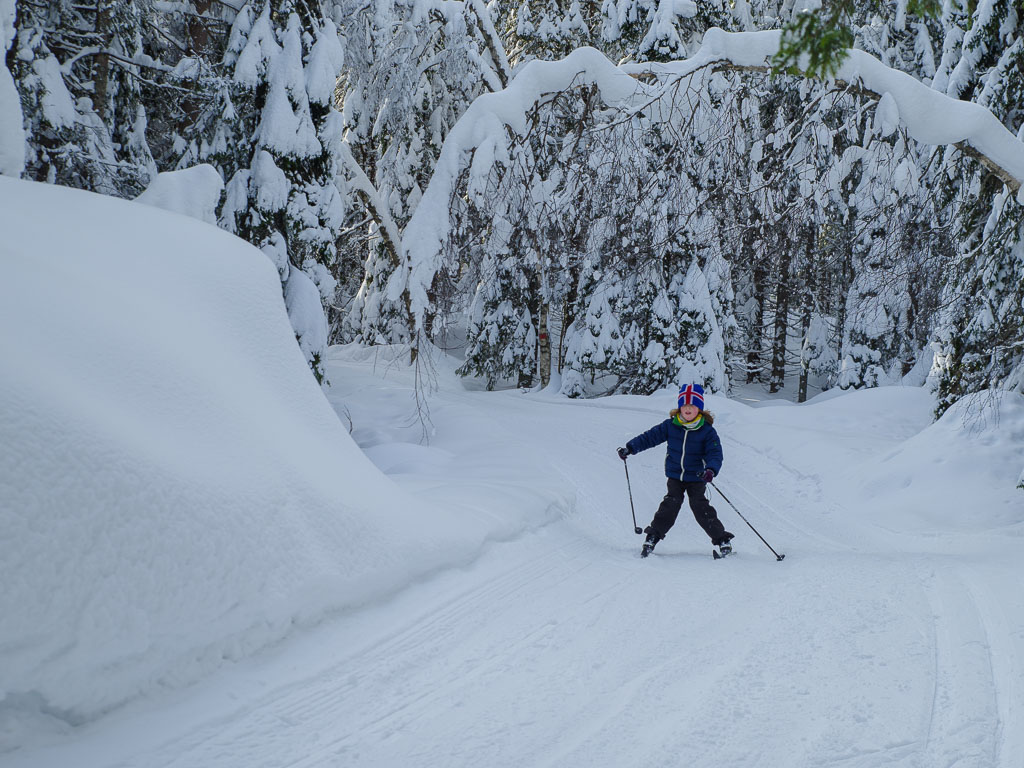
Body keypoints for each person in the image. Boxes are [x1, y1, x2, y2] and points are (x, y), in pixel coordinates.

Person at [617, 383, 734, 558]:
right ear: (680, 407)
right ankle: (653, 536)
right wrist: (631, 447)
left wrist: (710, 470)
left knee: (700, 506)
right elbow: (650, 437)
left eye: (692, 406)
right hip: (675, 476)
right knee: (670, 504)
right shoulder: (671, 425)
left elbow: (715, 453)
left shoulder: (707, 431)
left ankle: (722, 539)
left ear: (699, 409)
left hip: (697, 477)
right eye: (685, 405)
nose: (688, 409)